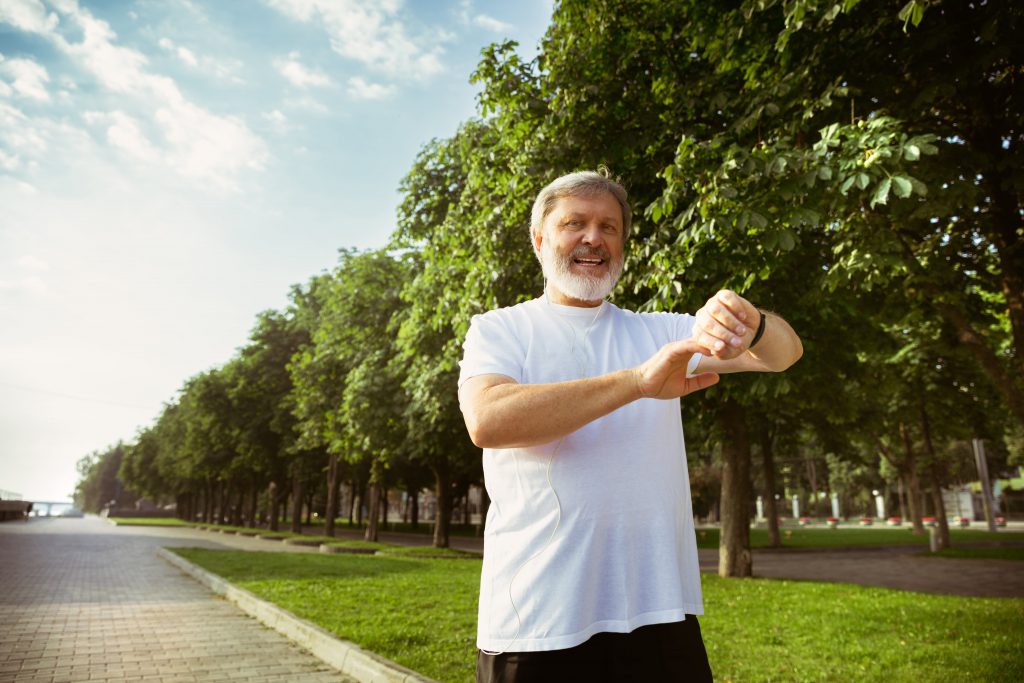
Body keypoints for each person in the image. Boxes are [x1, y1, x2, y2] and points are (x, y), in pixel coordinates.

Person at [458, 171, 803, 682]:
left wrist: (751, 322)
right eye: (574, 223)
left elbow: (783, 355)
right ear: (539, 239)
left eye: (609, 227)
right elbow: (488, 420)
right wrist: (637, 381)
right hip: (537, 623)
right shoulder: (500, 328)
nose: (593, 238)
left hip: (659, 614)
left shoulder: (660, 330)